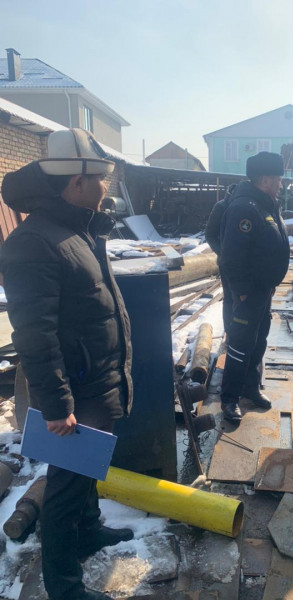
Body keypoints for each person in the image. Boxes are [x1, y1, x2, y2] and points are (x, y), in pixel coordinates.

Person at [0, 129, 134, 600]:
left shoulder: (79, 229)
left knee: (87, 471)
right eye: (100, 179)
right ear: (76, 182)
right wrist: (57, 405)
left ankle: (88, 531)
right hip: (75, 392)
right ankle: (64, 585)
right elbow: (34, 335)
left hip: (97, 380)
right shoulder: (35, 241)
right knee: (65, 486)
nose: (106, 187)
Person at [219, 152, 290, 423]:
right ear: (265, 180)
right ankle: (229, 398)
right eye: (278, 179)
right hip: (248, 293)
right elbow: (231, 256)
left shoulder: (265, 204)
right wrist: (242, 291)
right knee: (240, 344)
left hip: (263, 290)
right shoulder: (245, 208)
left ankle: (250, 388)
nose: (281, 184)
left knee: (259, 340)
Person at [204, 184, 237, 334]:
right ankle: (230, 332)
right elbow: (210, 234)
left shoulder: (250, 205)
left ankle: (241, 333)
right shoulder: (222, 207)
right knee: (230, 298)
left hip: (248, 263)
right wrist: (223, 253)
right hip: (227, 263)